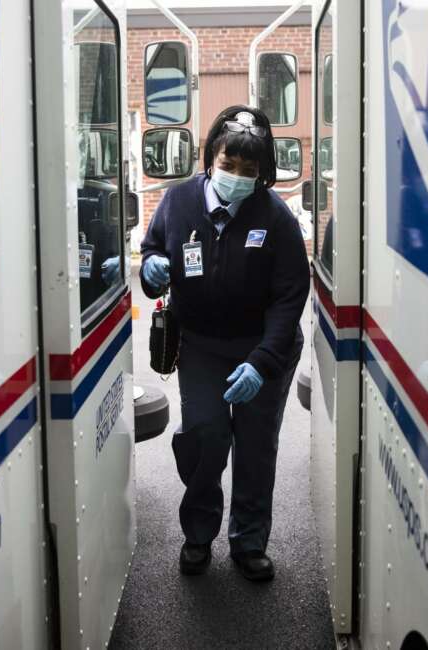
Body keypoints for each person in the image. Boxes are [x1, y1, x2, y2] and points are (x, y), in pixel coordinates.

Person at [140, 105, 310, 581]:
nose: (236, 175)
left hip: (262, 350)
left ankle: (249, 541)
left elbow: (290, 295)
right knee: (206, 435)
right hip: (201, 346)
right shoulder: (178, 202)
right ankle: (198, 534)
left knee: (256, 447)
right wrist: (151, 269)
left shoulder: (275, 218)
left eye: (248, 170)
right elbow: (155, 249)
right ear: (211, 157)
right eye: (228, 164)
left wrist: (262, 362)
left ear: (262, 173)